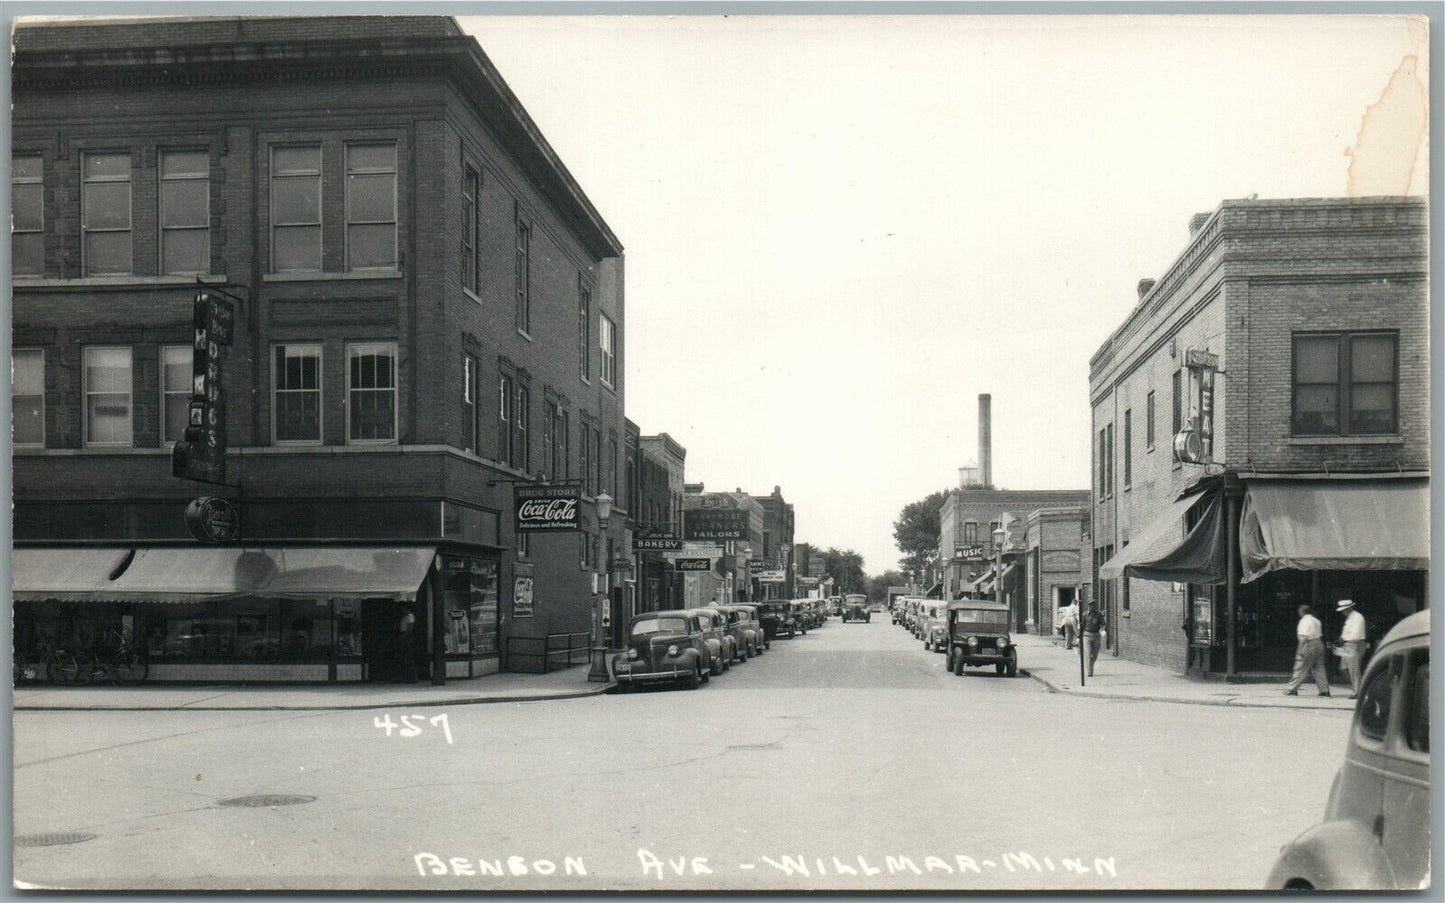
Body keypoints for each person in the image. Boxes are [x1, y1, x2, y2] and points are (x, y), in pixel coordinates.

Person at [1283, 603, 1329, 697]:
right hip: (1319, 643)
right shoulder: (1316, 621)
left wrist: (1300, 649)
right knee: (1319, 668)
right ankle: (1324, 690)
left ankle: (1292, 689)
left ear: (1302, 611)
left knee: (1301, 667)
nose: (1298, 612)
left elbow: (1303, 637)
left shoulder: (1304, 621)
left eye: (1299, 611)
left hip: (1309, 644)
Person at [1336, 599, 1366, 699]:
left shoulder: (1357, 617)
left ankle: (1358, 691)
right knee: (1344, 668)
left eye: (1344, 609)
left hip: (1354, 644)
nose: (1343, 612)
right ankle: (1358, 688)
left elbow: (1355, 635)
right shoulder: (1351, 618)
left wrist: (1345, 639)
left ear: (1349, 608)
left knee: (1354, 669)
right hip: (1348, 645)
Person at [395, 602, 418, 684]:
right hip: (404, 636)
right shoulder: (405, 616)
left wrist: (403, 636)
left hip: (407, 637)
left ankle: (413, 677)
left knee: (408, 657)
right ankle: (406, 676)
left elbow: (410, 628)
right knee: (404, 657)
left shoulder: (410, 616)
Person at [1081, 602, 1105, 676]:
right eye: (1089, 606)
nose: (1090, 607)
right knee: (1087, 653)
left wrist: (1102, 630)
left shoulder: (1099, 614)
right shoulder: (1084, 615)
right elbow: (1082, 626)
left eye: (1092, 606)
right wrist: (1079, 637)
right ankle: (1089, 671)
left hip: (1096, 635)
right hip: (1086, 635)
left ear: (1094, 607)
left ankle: (1090, 664)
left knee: (1095, 654)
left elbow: (1103, 624)